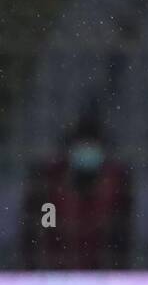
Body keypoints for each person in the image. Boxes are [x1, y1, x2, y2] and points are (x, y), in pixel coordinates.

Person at [21, 113, 132, 270]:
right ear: (71, 148)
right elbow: (36, 233)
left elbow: (121, 238)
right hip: (55, 270)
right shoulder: (49, 180)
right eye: (83, 144)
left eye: (91, 145)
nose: (87, 151)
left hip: (99, 272)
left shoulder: (116, 181)